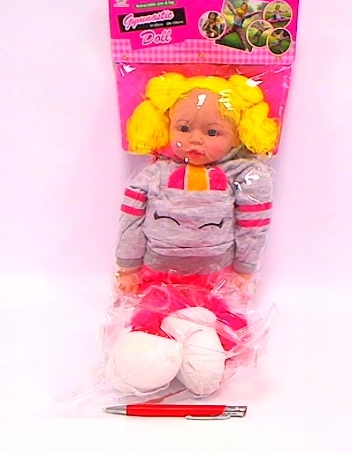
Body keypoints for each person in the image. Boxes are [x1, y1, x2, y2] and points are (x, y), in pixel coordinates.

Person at [106, 73, 278, 397]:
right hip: (156, 276)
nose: (195, 140)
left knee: (210, 335)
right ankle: (151, 353)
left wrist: (244, 269)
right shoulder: (152, 175)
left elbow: (253, 227)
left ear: (238, 134)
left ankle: (200, 353)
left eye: (212, 132)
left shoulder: (242, 177)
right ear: (166, 126)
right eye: (184, 128)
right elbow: (130, 222)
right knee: (149, 319)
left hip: (214, 280)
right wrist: (127, 267)